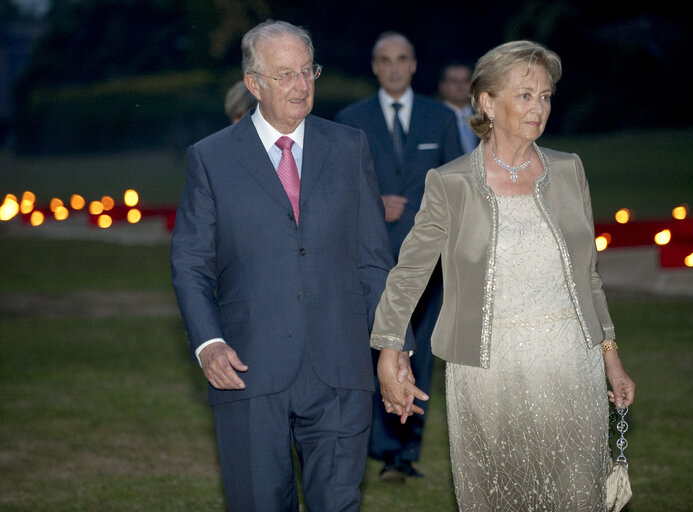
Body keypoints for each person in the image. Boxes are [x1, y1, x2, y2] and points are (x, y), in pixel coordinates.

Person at [371, 40, 636, 511]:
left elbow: (588, 277)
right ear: (487, 102)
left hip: (570, 364)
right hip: (486, 369)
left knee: (576, 494)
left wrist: (610, 357)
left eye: (546, 96)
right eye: (525, 95)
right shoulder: (450, 183)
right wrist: (392, 349)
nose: (539, 108)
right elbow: (409, 273)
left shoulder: (569, 170)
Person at [171, 20, 415, 511]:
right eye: (284, 75)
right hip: (248, 369)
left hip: (341, 369)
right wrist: (208, 342)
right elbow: (191, 262)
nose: (301, 86)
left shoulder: (350, 148)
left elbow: (373, 261)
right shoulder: (212, 158)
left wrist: (396, 347)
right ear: (253, 83)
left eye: (308, 71)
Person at [335, 31, 463, 481]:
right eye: (384, 59)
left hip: (427, 264)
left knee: (419, 351)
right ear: (374, 66)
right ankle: (378, 446)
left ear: (413, 65)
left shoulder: (440, 118)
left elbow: (457, 182)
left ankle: (404, 454)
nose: (393, 67)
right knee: (374, 349)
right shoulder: (350, 121)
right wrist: (374, 202)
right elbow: (335, 190)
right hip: (368, 260)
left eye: (402, 58)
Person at [438, 63, 479, 154]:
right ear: (443, 86)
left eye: (465, 81)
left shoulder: (485, 115)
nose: (460, 86)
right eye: (454, 81)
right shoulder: (433, 118)